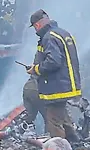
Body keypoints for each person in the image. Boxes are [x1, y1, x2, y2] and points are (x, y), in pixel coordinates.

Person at [26, 9, 81, 142]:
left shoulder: (49, 37)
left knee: (53, 121)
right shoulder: (63, 33)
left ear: (37, 25)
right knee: (62, 116)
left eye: (34, 27)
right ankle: (75, 143)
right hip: (68, 84)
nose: (35, 30)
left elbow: (54, 61)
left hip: (57, 87)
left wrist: (36, 69)